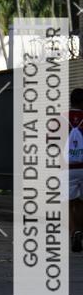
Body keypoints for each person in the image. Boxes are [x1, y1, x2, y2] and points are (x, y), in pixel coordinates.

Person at [68, 88, 83, 252]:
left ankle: (74, 232)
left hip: (67, 168)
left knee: (68, 203)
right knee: (80, 203)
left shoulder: (61, 119)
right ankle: (80, 230)